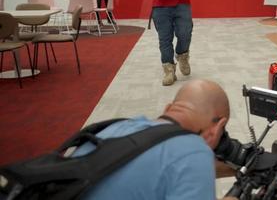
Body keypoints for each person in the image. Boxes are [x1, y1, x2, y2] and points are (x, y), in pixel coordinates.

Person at [73, 79, 231, 199]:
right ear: (218, 129)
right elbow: (184, 163)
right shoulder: (195, 153)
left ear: (168, 108)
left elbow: (165, 169)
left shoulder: (122, 127)